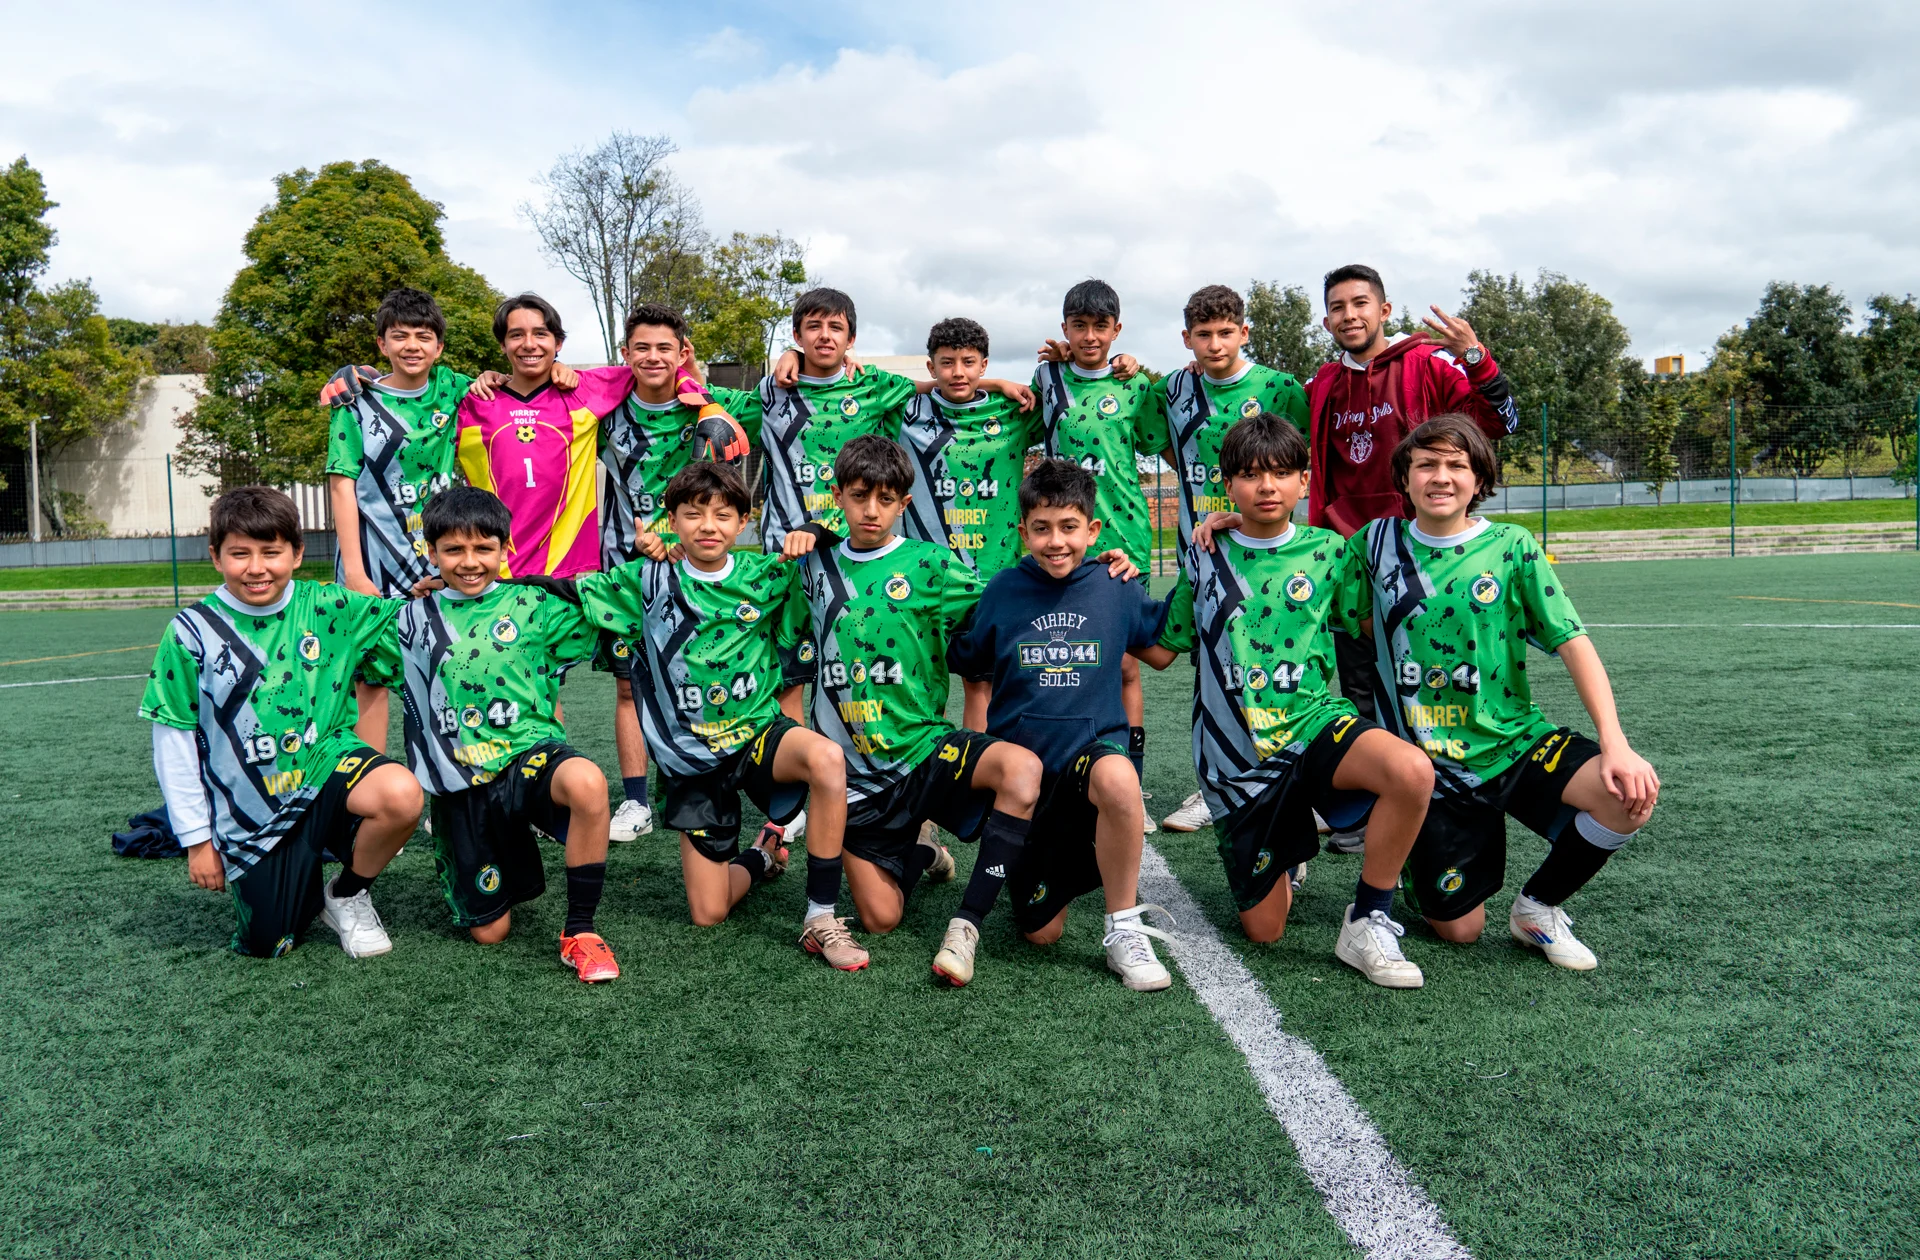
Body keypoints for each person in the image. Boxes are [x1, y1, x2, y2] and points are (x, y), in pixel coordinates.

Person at [1342, 415, 1658, 970]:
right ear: (1406, 478)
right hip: (1431, 771)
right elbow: (1332, 606)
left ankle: (1538, 908)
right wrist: (1237, 522)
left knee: (1627, 797)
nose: (1440, 477)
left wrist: (1616, 743)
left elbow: (1572, 641)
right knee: (1460, 931)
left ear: (1478, 477)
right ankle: (1420, 864)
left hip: (1515, 741)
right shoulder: (1374, 544)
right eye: (1426, 465)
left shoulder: (1512, 545)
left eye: (1456, 465)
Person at [1135, 415, 1435, 988]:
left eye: (1279, 473)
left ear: (1304, 480)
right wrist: (1108, 584)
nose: (1265, 487)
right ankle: (1289, 852)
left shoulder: (1331, 551)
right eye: (1249, 475)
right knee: (1265, 930)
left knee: (1409, 771)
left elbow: (1371, 628)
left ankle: (1369, 917)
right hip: (1235, 756)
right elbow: (1163, 648)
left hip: (1314, 723)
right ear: (1227, 485)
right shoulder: (1203, 553)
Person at [568, 462, 854, 944]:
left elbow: (854, 518)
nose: (708, 526)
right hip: (691, 757)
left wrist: (813, 528)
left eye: (723, 515)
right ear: (672, 520)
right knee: (709, 912)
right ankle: (763, 852)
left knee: (826, 757)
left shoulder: (766, 575)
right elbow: (561, 592)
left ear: (744, 522)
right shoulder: (646, 580)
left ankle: (821, 914)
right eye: (693, 514)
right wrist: (462, 590)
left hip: (757, 736)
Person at [141, 486, 421, 959]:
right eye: (239, 554)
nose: (256, 568)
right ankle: (297, 880)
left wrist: (449, 590)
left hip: (326, 767)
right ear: (215, 557)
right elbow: (173, 738)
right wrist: (196, 840)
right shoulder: (189, 632)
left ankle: (347, 892)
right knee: (270, 944)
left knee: (401, 795)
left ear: (296, 553)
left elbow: (421, 625)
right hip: (253, 810)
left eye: (271, 552)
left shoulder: (331, 606)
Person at [945, 459, 1174, 991]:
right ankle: (1067, 867)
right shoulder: (1002, 590)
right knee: (1040, 933)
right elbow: (964, 655)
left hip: (1091, 758)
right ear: (1023, 530)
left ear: (1092, 530)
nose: (1056, 542)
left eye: (1069, 527)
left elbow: (1162, 651)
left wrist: (1215, 545)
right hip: (1026, 783)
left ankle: (1122, 925)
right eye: (1042, 528)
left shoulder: (1114, 584)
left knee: (1119, 780)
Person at [759, 288, 1032, 722]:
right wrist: (787, 356)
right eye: (813, 327)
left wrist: (997, 383)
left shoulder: (879, 389)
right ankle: (810, 775)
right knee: (797, 673)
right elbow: (710, 399)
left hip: (941, 566)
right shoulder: (770, 390)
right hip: (792, 555)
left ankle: (952, 772)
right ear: (797, 334)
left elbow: (937, 385)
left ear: (851, 340)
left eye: (835, 327)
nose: (824, 336)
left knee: (963, 680)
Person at [393, 486, 621, 982]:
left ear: (505, 548)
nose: (469, 561)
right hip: (463, 781)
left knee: (587, 782)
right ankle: (492, 852)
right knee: (490, 933)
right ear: (431, 554)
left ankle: (580, 932)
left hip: (527, 756)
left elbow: (618, 601)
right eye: (453, 550)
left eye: (484, 548)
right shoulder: (409, 619)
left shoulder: (532, 604)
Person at [1307, 263, 1519, 782]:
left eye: (1360, 304)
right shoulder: (1322, 384)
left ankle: (1445, 786)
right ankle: (1370, 805)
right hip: (1350, 559)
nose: (1349, 315)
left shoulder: (1429, 364)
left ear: (1383, 310)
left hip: (1421, 552)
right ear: (1328, 319)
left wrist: (1477, 358)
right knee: (1359, 688)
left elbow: (1499, 423)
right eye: (1337, 307)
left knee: (1427, 680)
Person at [596, 303, 763, 845]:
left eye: (664, 347)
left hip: (700, 569)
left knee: (710, 675)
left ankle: (733, 789)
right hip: (628, 570)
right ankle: (637, 801)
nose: (652, 357)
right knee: (629, 688)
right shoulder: (605, 412)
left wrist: (786, 357)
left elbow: (791, 399)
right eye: (641, 347)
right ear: (625, 355)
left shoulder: (714, 409)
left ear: (683, 353)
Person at [1153, 284, 1310, 835]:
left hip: (1272, 553)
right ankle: (1214, 783)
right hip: (1205, 550)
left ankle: (1297, 784)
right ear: (1187, 339)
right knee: (1214, 670)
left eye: (1226, 332)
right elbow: (1171, 448)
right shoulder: (1172, 389)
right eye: (1203, 334)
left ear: (1244, 332)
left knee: (1286, 667)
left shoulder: (1280, 387)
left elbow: (1294, 459)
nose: (1215, 343)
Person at [1030, 279, 1160, 828]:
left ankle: (1130, 776)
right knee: (1061, 656)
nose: (1089, 336)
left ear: (1116, 329)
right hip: (1064, 540)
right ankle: (1054, 770)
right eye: (1078, 326)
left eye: (1100, 326)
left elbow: (1155, 441)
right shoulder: (1047, 376)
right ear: (1064, 329)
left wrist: (1143, 368)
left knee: (1127, 666)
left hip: (1123, 538)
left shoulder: (1135, 384)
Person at [320, 286, 473, 750]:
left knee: (450, 670)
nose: (412, 345)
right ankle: (375, 786)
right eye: (399, 336)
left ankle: (448, 789)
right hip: (373, 561)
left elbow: (505, 386)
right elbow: (341, 485)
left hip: (440, 560)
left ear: (439, 347)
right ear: (381, 345)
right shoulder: (356, 404)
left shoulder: (454, 388)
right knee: (371, 680)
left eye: (424, 336)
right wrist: (354, 571)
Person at [897, 316, 1041, 732]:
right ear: (930, 367)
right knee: (918, 684)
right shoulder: (906, 409)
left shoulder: (1012, 410)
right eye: (946, 363)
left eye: (968, 362)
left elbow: (1065, 390)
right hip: (926, 577)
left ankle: (975, 777)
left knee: (981, 686)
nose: (957, 372)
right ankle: (923, 776)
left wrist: (997, 388)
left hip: (990, 578)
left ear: (984, 364)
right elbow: (862, 383)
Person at [453, 292, 631, 580]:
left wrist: (709, 406)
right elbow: (410, 391)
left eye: (540, 334)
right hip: (492, 572)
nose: (529, 344)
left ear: (558, 343)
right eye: (516, 335)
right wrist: (358, 374)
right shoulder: (473, 401)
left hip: (567, 573)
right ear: (502, 344)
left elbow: (657, 369)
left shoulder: (583, 391)